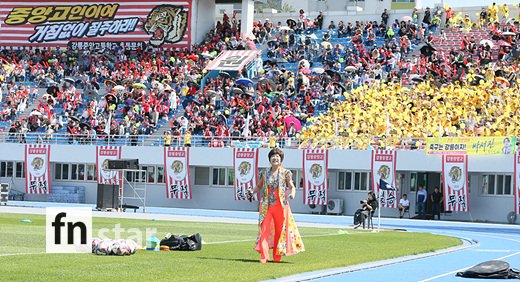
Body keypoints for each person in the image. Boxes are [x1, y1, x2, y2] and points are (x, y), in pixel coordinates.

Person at [250, 148, 304, 263]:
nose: (275, 158)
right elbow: (259, 187)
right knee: (264, 230)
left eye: (277, 157)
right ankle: (264, 256)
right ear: (269, 159)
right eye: (273, 156)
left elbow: (291, 186)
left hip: (281, 206)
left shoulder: (286, 173)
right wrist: (252, 192)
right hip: (266, 205)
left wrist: (292, 194)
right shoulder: (265, 172)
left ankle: (277, 256)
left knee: (280, 231)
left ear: (281, 159)